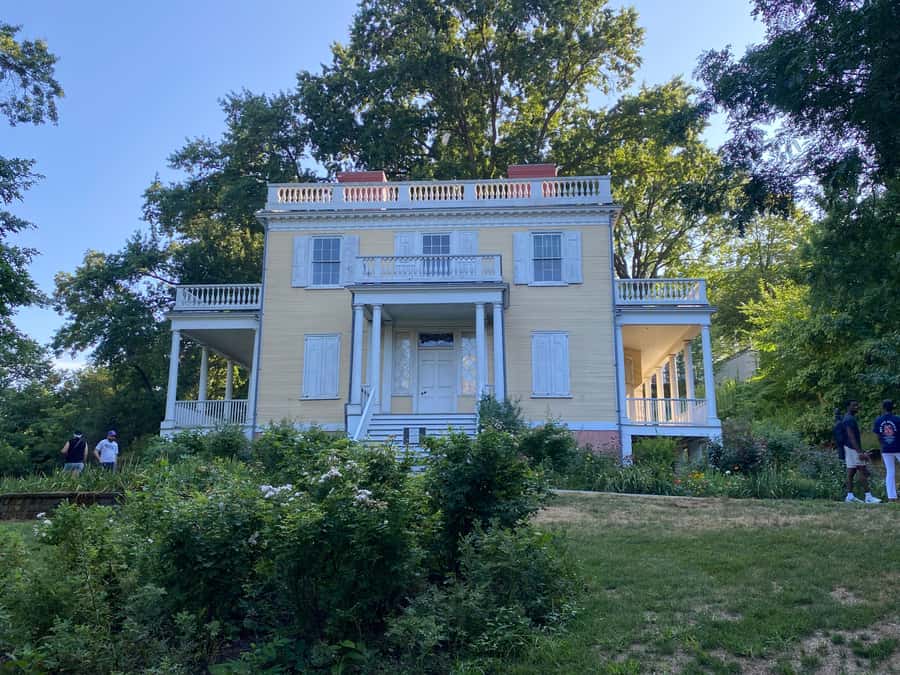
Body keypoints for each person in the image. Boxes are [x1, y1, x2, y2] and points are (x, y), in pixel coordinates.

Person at [842, 400, 881, 503]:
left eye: (857, 405)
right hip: (852, 448)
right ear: (848, 407)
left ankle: (849, 496)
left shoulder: (848, 418)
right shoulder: (849, 419)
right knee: (862, 470)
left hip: (849, 448)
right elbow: (851, 436)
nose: (856, 407)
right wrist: (859, 452)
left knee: (851, 472)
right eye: (854, 405)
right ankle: (868, 497)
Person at [873, 400, 900, 502]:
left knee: (890, 472)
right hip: (898, 447)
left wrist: (882, 445)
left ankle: (891, 497)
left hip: (886, 449)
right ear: (893, 408)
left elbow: (878, 436)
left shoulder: (878, 420)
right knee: (890, 471)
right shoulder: (897, 419)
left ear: (883, 408)